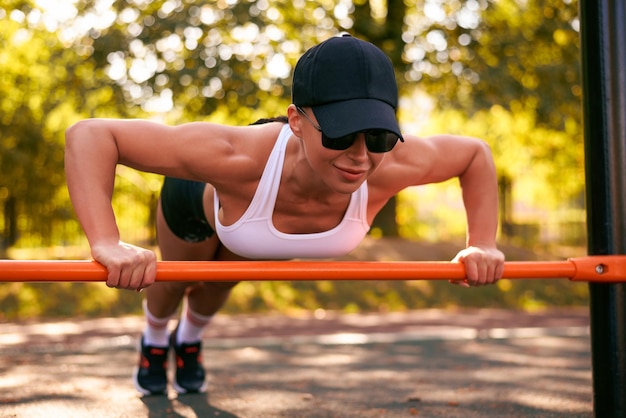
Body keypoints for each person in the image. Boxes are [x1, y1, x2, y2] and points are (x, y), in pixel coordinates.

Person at [65, 34, 505, 396]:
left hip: (252, 228)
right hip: (199, 201)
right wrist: (106, 242)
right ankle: (155, 338)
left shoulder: (393, 163)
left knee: (219, 284)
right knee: (176, 280)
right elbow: (91, 135)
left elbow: (474, 155)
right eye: (339, 135)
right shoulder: (234, 157)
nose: (359, 156)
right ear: (296, 120)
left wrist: (482, 243)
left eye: (376, 135)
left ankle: (190, 339)